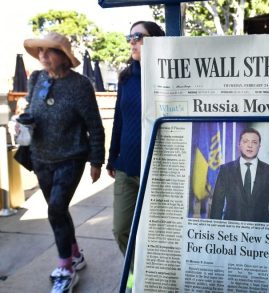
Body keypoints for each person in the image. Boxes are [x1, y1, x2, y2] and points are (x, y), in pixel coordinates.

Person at [21, 32, 105, 293]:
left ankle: (65, 269)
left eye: (50, 51)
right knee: (58, 211)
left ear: (64, 56)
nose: (43, 56)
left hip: (71, 156)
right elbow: (30, 111)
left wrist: (96, 160)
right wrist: (23, 121)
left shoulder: (80, 85)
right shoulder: (36, 78)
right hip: (40, 156)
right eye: (40, 52)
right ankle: (75, 254)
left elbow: (94, 125)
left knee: (56, 208)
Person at [106, 21, 165, 280]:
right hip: (126, 167)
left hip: (157, 168)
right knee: (121, 229)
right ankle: (136, 276)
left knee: (156, 233)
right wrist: (112, 157)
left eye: (138, 36)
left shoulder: (167, 75)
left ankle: (153, 279)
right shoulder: (126, 78)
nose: (132, 41)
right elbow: (119, 119)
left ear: (156, 40)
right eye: (130, 36)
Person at [210, 128, 269, 223]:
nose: (250, 145)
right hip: (231, 230)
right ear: (239, 145)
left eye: (254, 142)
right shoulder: (225, 170)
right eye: (245, 141)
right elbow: (217, 205)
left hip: (261, 232)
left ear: (259, 146)